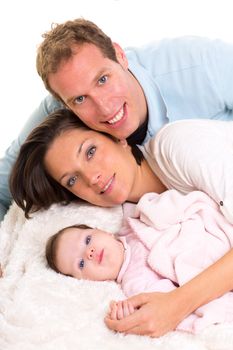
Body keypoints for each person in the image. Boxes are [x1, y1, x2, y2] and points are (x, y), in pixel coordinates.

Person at [9, 108, 233, 336]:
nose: (92, 177)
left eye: (90, 152)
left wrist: (176, 305)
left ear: (117, 137)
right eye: (73, 179)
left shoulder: (177, 145)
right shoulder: (131, 221)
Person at [1, 17, 233, 221]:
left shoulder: (201, 65)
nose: (104, 107)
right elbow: (3, 188)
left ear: (120, 55)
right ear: (64, 105)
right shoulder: (56, 124)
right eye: (80, 99)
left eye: (102, 79)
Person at [45, 189, 233, 334]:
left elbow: (170, 204)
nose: (90, 253)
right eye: (81, 264)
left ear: (103, 232)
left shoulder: (134, 220)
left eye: (87, 240)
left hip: (213, 228)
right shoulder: (134, 281)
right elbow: (166, 302)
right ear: (86, 281)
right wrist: (128, 312)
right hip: (210, 265)